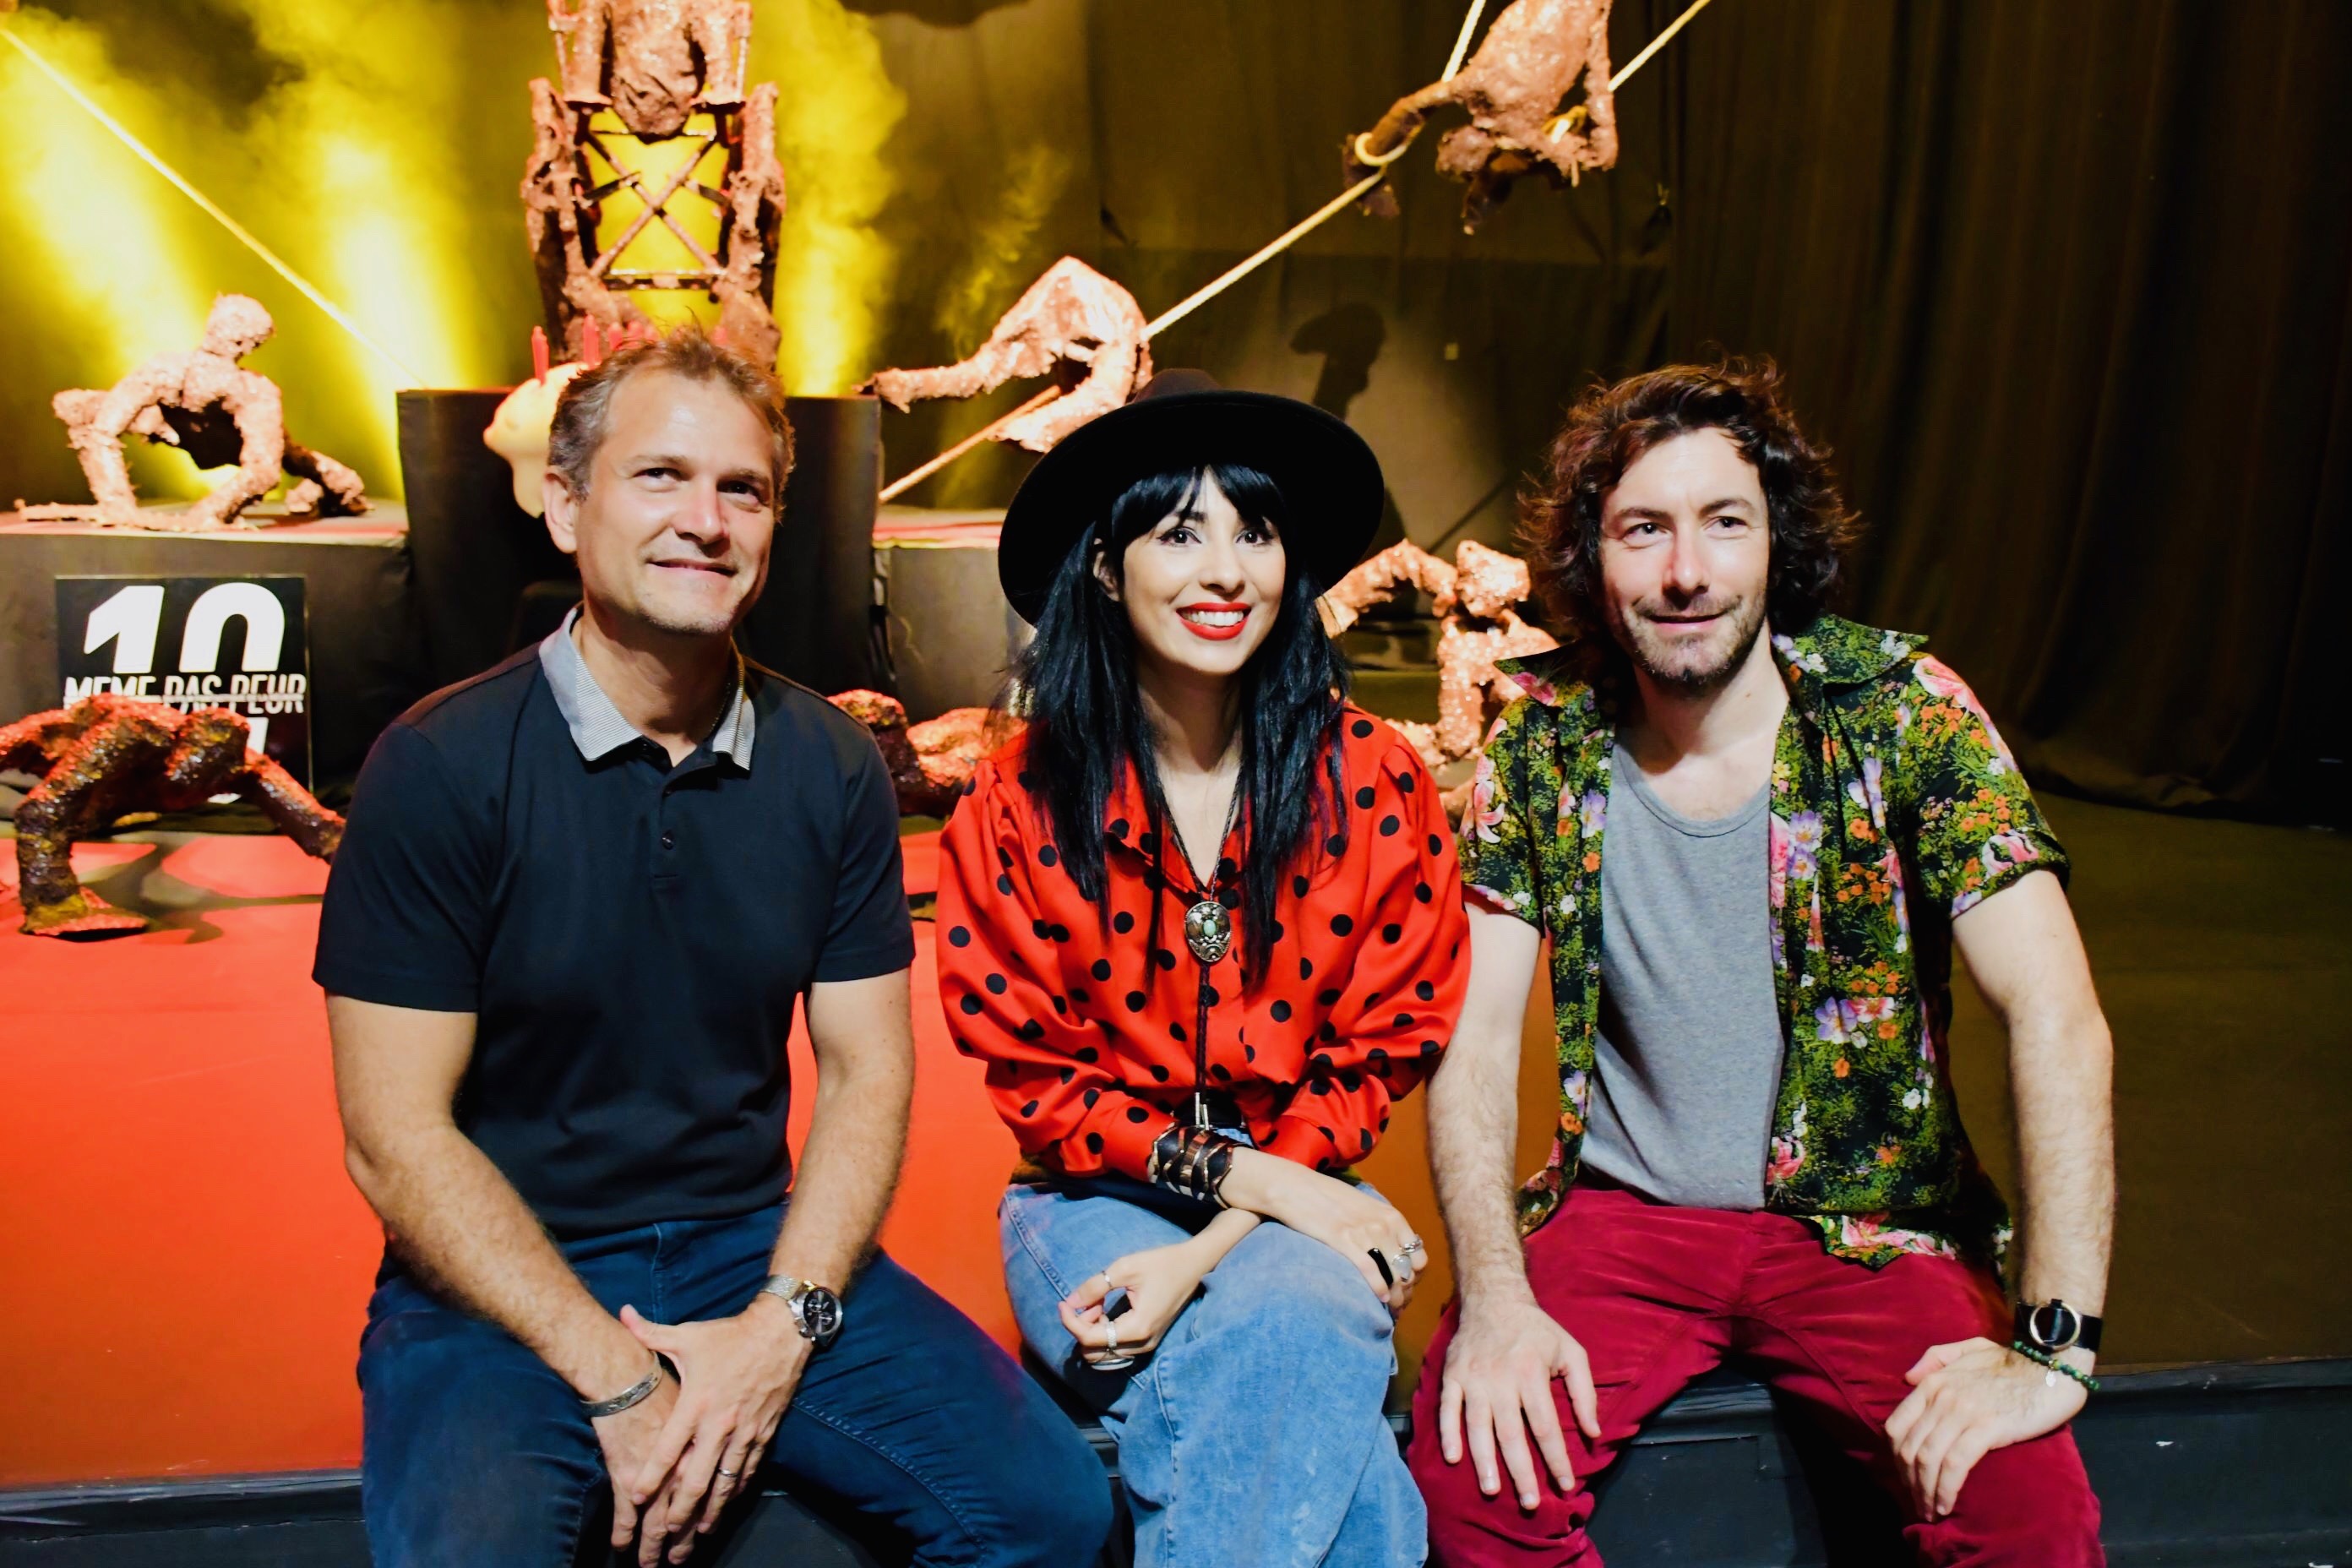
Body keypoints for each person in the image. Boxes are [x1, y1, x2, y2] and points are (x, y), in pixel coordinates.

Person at [315, 329, 1111, 1568]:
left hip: (751, 1241)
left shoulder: (831, 766)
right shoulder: (438, 765)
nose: (707, 519)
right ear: (566, 507)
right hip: (499, 1276)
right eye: (661, 478)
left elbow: (863, 1074)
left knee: (1054, 1516)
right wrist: (622, 1382)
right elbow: (395, 1135)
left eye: (743, 489)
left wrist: (781, 1326)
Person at [1408, 359, 2113, 1565]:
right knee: (1473, 1485)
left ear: (1776, 542)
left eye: (1724, 523)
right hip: (1623, 1217)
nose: (1686, 570)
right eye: (1644, 530)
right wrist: (1500, 1305)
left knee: (2025, 1520)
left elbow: (2054, 1007)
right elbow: (1471, 1050)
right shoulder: (1543, 741)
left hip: (1868, 1227)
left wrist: (2053, 1344)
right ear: (1594, 557)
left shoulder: (1904, 715)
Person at [935, 370, 1471, 1567]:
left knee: (1307, 1352)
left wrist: (1207, 1249)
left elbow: (1378, 1052)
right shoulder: (1018, 800)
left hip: (1302, 1181)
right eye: (1179, 533)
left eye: (1257, 531)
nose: (1226, 570)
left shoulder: (1372, 781)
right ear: (1107, 565)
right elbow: (1045, 1093)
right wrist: (1270, 1205)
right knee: (1329, 1357)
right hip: (1088, 1205)